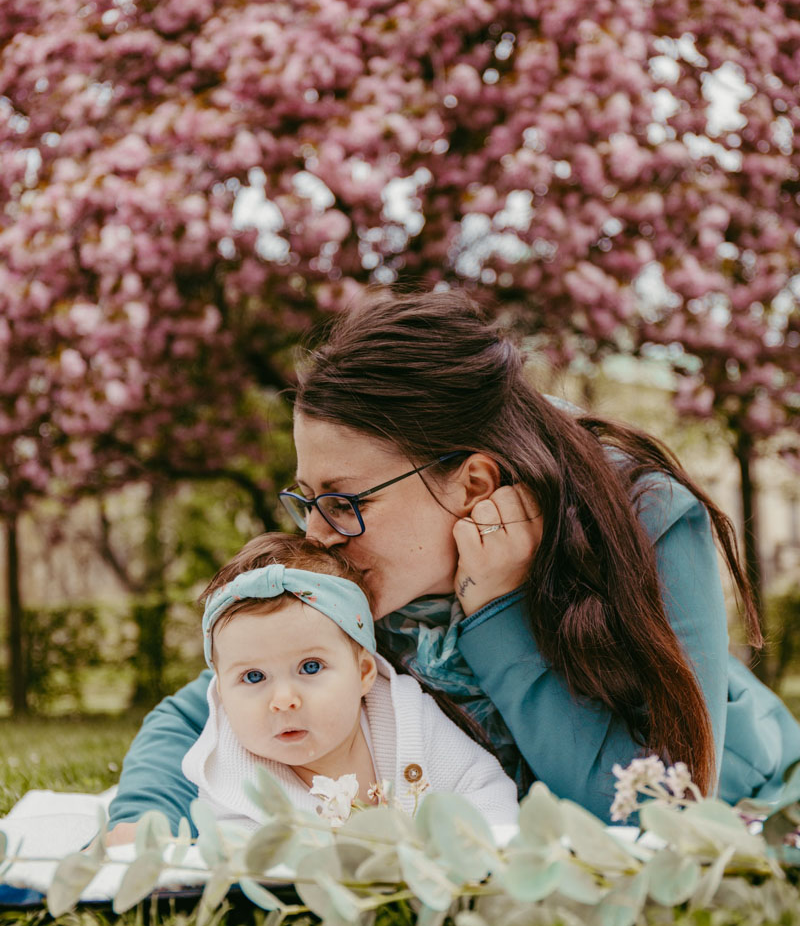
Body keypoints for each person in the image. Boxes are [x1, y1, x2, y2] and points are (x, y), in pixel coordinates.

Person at [108, 290, 800, 839]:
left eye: (345, 501)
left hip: (739, 775)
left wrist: (497, 614)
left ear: (473, 483)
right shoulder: (370, 564)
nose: (318, 534)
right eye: (308, 500)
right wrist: (140, 823)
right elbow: (211, 704)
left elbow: (654, 812)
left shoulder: (648, 521)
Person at [181, 532, 519, 830]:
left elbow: (482, 787)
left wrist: (476, 856)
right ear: (222, 693)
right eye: (253, 676)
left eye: (310, 667)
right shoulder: (229, 779)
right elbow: (241, 866)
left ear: (363, 673)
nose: (283, 699)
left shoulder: (406, 720)